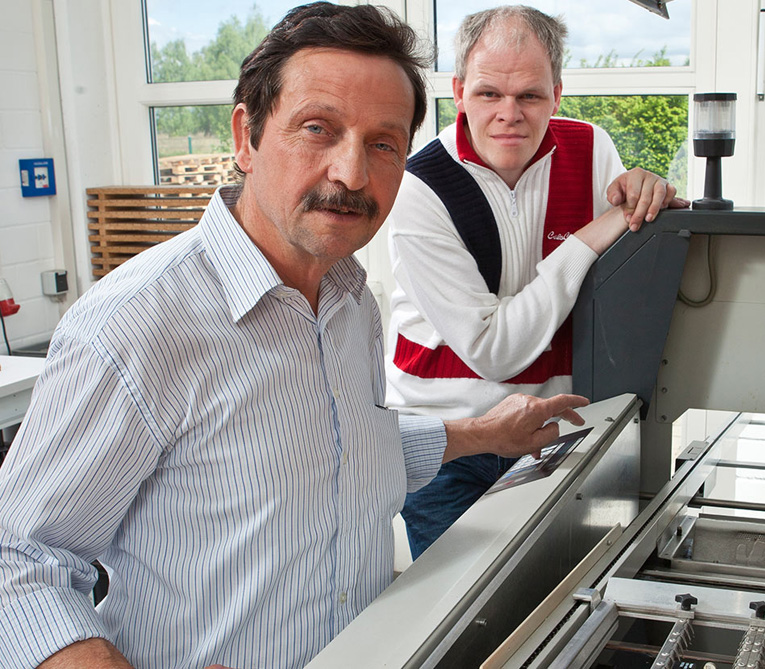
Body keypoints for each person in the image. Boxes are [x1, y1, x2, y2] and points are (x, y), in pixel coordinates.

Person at [0, 4, 587, 668]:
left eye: (383, 143)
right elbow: (17, 559)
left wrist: (488, 433)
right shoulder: (136, 323)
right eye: (317, 129)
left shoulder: (350, 301)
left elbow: (339, 446)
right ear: (245, 137)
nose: (351, 174)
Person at [386, 5, 689, 559]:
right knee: (456, 603)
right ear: (458, 92)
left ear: (557, 94)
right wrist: (591, 236)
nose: (510, 114)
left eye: (529, 95)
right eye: (488, 94)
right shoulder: (418, 188)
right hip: (449, 442)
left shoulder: (592, 149)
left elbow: (622, 273)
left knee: (559, 590)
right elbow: (493, 350)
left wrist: (646, 193)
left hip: (556, 431)